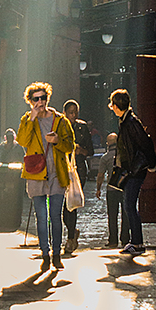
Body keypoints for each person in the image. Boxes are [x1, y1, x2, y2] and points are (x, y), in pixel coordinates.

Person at [16, 81, 75, 273]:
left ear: (47, 99)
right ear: (30, 101)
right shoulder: (27, 120)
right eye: (36, 99)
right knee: (41, 217)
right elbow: (22, 141)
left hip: (57, 173)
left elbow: (70, 145)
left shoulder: (60, 120)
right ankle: (45, 255)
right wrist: (31, 118)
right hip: (36, 173)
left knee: (55, 217)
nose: (40, 102)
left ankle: (57, 254)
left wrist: (57, 141)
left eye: (43, 98)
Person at [108, 88, 156, 257]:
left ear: (116, 106)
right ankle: (136, 241)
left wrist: (151, 164)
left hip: (134, 171)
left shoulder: (130, 123)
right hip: (131, 170)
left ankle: (137, 242)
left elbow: (146, 144)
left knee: (129, 205)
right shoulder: (126, 121)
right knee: (129, 205)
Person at [61, 99, 94, 254]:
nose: (73, 115)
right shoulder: (60, 126)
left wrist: (81, 151)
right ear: (65, 113)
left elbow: (91, 151)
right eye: (70, 113)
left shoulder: (82, 127)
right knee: (64, 209)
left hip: (79, 170)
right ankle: (72, 231)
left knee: (71, 205)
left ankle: (70, 239)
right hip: (62, 169)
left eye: (75, 113)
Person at [96, 131, 130, 248]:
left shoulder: (105, 157)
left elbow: (100, 175)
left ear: (107, 143)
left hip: (111, 189)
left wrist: (98, 189)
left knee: (112, 215)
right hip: (124, 188)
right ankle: (125, 239)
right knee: (126, 214)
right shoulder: (125, 155)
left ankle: (113, 240)